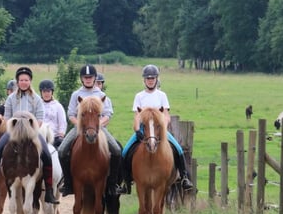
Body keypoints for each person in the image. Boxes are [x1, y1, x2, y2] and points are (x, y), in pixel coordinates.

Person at [0, 67, 58, 204]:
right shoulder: (10, 98)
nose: (24, 82)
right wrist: (15, 130)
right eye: (21, 80)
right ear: (17, 81)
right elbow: (7, 117)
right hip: (13, 133)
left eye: (26, 80)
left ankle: (49, 190)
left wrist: (30, 131)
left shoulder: (36, 99)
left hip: (32, 133)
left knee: (46, 155)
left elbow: (39, 119)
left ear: (30, 81)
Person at [122, 64, 194, 192]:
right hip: (144, 129)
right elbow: (137, 116)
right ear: (144, 80)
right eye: (148, 78)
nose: (150, 80)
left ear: (156, 79)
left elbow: (166, 115)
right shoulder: (139, 96)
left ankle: (184, 178)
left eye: (153, 78)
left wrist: (163, 128)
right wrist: (137, 130)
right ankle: (124, 182)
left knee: (178, 149)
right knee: (125, 151)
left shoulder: (162, 95)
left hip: (159, 129)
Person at [57, 64, 125, 197]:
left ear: (95, 79)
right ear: (82, 79)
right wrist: (80, 125)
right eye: (85, 77)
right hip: (80, 128)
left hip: (98, 128)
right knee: (61, 150)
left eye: (90, 77)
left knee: (116, 150)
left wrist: (96, 125)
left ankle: (112, 185)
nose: (88, 79)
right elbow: (71, 114)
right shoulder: (76, 95)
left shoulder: (101, 95)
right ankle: (68, 183)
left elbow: (108, 114)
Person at [39, 78, 66, 148]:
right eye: (44, 91)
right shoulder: (37, 106)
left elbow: (62, 123)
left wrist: (61, 135)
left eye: (48, 91)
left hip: (55, 137)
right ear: (41, 92)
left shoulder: (58, 106)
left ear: (52, 92)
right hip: (40, 137)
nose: (46, 94)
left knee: (64, 151)